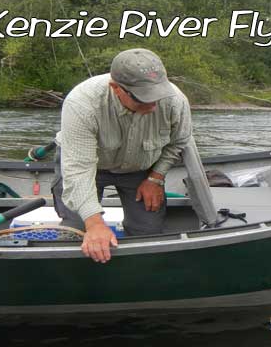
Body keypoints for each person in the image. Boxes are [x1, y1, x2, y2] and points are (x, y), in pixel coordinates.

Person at [52, 48, 194, 264]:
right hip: (87, 167)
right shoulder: (81, 103)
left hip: (141, 168)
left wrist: (156, 177)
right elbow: (78, 170)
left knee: (148, 233)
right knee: (76, 232)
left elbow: (178, 142)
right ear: (116, 89)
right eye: (143, 99)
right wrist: (95, 223)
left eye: (158, 96)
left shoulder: (176, 101)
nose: (153, 106)